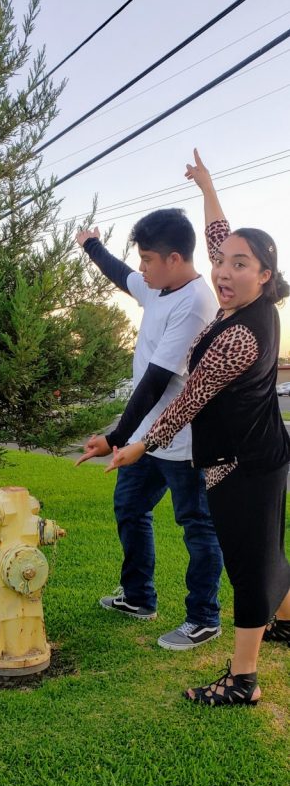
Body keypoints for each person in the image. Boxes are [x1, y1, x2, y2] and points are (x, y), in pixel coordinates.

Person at [106, 149, 290, 705]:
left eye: (239, 265)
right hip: (263, 452)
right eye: (223, 261)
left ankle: (243, 681)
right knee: (268, 549)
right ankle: (286, 622)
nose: (224, 271)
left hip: (242, 463)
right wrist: (207, 186)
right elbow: (218, 235)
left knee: (248, 564)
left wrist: (138, 444)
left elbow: (188, 401)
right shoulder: (249, 300)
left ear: (264, 275)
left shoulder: (240, 335)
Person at [75, 208, 224, 650]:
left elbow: (156, 380)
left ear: (174, 258)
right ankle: (139, 597)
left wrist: (115, 438)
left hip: (185, 441)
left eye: (147, 259)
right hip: (146, 438)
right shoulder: (158, 286)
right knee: (130, 508)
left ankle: (204, 618)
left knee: (197, 527)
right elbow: (122, 275)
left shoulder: (195, 304)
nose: (141, 267)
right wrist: (91, 245)